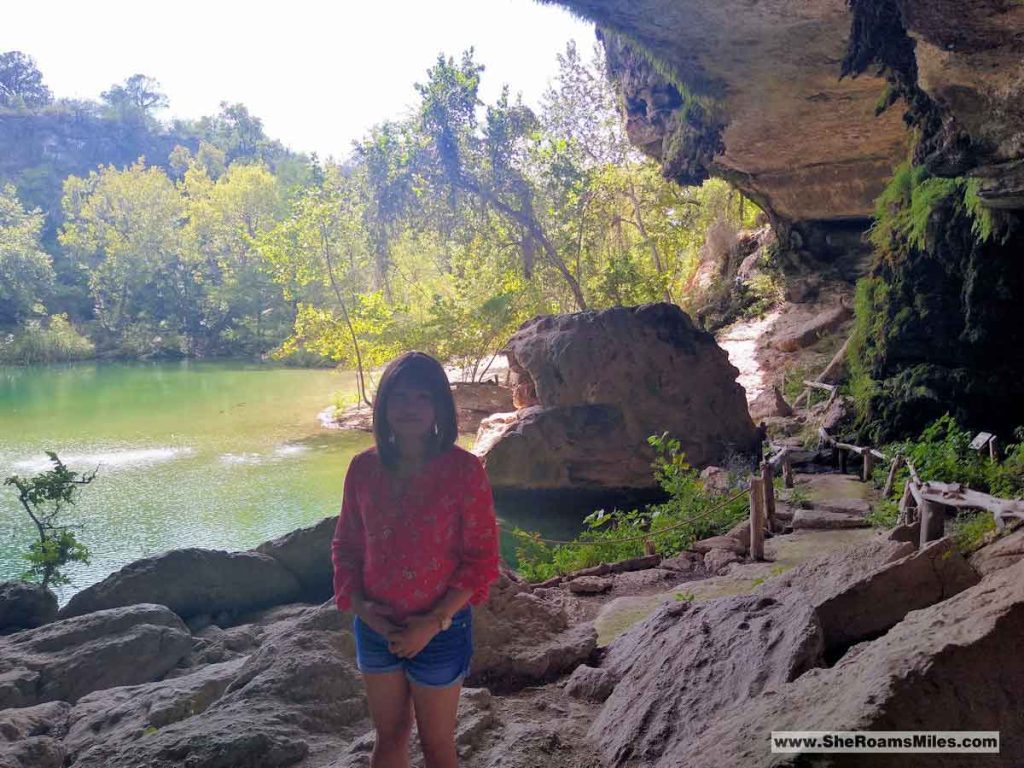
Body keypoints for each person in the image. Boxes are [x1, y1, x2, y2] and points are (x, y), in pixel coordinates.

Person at [332, 351, 500, 768]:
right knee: (389, 737)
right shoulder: (363, 469)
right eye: (399, 397)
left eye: (422, 397)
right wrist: (364, 612)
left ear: (440, 406)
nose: (410, 407)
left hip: (441, 627)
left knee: (437, 744)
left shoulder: (464, 470)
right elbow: (346, 546)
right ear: (384, 405)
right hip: (377, 626)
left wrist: (432, 622)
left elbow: (481, 558)